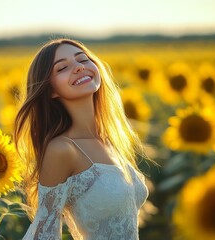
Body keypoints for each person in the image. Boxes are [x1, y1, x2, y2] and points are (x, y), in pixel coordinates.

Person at [14, 38, 149, 240]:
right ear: (51, 91)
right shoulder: (62, 149)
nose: (78, 67)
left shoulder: (109, 139)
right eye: (62, 68)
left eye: (83, 59)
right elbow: (44, 233)